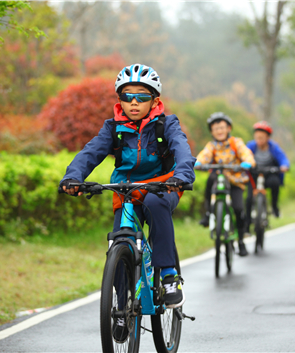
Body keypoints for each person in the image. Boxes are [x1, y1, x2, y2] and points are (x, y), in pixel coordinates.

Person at [60, 64, 196, 335]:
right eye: (127, 96)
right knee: (120, 240)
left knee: (157, 205)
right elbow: (91, 153)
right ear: (119, 100)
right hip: (126, 189)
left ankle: (169, 276)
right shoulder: (112, 128)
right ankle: (122, 309)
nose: (134, 102)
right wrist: (73, 176)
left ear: (155, 100)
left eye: (142, 96)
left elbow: (182, 148)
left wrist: (182, 174)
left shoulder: (166, 124)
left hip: (163, 185)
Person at [195, 112, 255, 256]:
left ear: (228, 128)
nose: (219, 131)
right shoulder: (212, 145)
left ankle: (240, 241)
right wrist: (198, 162)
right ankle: (208, 212)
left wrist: (247, 162)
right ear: (212, 132)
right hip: (219, 176)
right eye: (216, 129)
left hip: (235, 180)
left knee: (239, 208)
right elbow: (205, 155)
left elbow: (245, 153)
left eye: (222, 128)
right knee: (210, 180)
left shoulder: (236, 142)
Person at [245, 121, 290, 221]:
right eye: (257, 138)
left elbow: (282, 158)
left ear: (267, 138)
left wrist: (284, 166)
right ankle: (246, 225)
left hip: (269, 173)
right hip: (254, 174)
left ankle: (274, 206)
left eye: (261, 138)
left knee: (275, 183)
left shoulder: (273, 147)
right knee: (248, 198)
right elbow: (244, 155)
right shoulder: (251, 146)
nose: (259, 140)